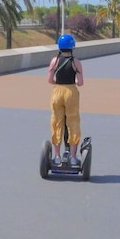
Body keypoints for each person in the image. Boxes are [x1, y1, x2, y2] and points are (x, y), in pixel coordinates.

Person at [47, 34, 84, 166]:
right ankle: (73, 157)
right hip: (71, 92)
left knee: (56, 121)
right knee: (73, 121)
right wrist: (72, 81)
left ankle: (57, 156)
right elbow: (80, 83)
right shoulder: (76, 62)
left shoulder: (54, 61)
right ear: (72, 47)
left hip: (57, 91)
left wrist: (59, 82)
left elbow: (50, 80)